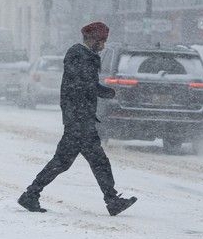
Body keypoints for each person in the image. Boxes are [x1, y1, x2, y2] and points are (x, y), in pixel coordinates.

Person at [18, 21, 137, 216]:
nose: (103, 45)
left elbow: (87, 84)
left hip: (80, 118)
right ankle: (111, 200)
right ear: (92, 39)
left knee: (64, 162)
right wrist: (104, 92)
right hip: (78, 119)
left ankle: (31, 194)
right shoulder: (78, 55)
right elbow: (82, 84)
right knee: (95, 161)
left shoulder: (86, 56)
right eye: (102, 41)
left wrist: (109, 92)